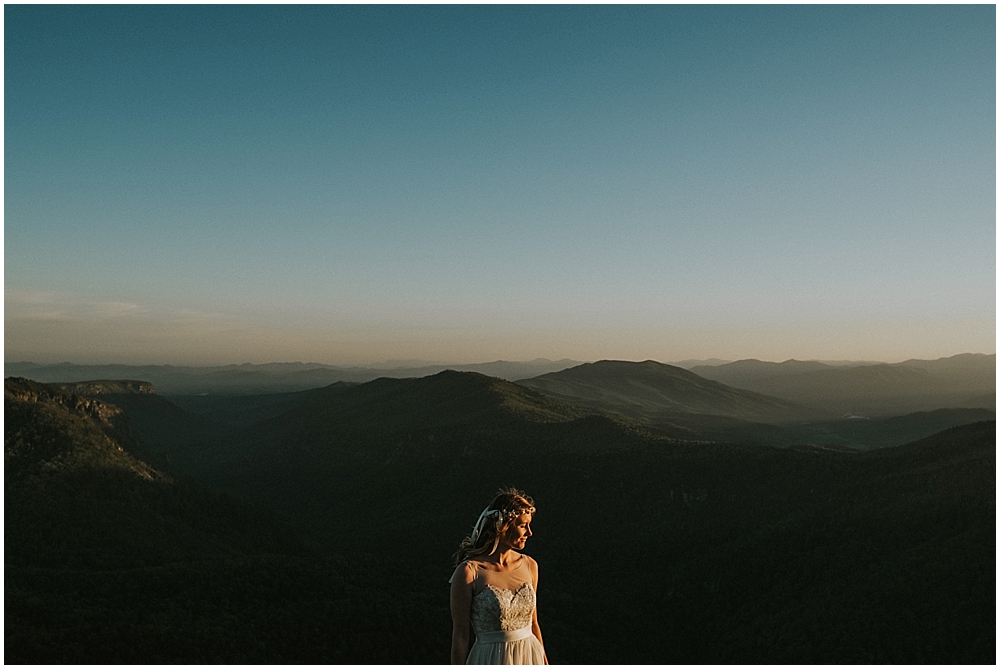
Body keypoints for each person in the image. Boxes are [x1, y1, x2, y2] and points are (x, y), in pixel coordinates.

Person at [449, 488, 547, 665]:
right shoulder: (469, 572)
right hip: (491, 659)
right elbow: (461, 634)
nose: (529, 532)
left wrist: (544, 662)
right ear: (504, 526)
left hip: (529, 656)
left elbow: (533, 623)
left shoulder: (530, 565)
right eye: (523, 525)